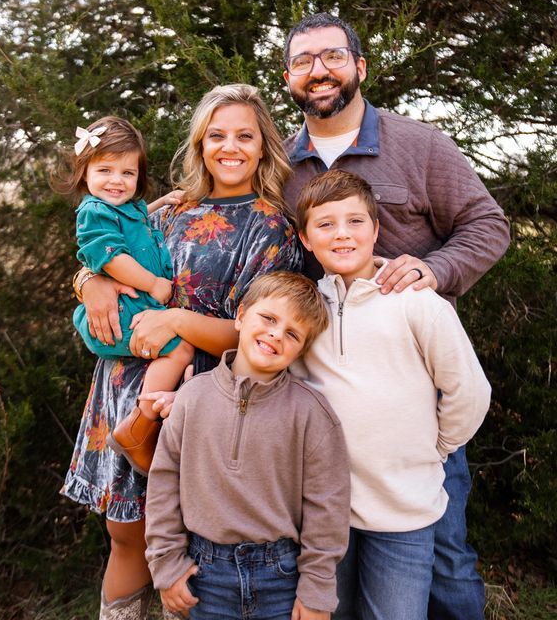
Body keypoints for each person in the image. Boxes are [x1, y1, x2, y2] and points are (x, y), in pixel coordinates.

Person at [282, 12, 510, 620]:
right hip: (323, 411)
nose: (318, 71)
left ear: (359, 68)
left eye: (331, 56)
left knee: (442, 559)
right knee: (340, 566)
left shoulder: (419, 145)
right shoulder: (279, 164)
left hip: (416, 396)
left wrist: (435, 270)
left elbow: (488, 226)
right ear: (288, 78)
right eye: (303, 61)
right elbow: (222, 205)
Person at [62, 84, 302, 620]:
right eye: (216, 135)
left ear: (264, 144)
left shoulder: (272, 228)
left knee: (187, 545)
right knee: (126, 536)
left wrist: (178, 320)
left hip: (204, 397)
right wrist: (88, 282)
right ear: (199, 143)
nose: (230, 147)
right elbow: (108, 257)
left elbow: (257, 338)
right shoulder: (169, 211)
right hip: (125, 386)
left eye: (245, 135)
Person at [291, 169, 491, 620]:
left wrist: (437, 446)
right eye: (325, 225)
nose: (342, 234)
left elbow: (469, 391)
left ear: (376, 230)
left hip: (403, 512)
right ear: (305, 238)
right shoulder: (304, 308)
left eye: (355, 222)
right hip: (328, 514)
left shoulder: (416, 302)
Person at [145, 271, 351, 620]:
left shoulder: (311, 413)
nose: (275, 334)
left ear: (301, 348)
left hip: (282, 577)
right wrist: (166, 563)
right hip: (204, 575)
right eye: (268, 318)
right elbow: (164, 483)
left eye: (292, 333)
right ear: (240, 316)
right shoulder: (192, 398)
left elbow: (326, 507)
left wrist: (317, 590)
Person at [53, 116, 194, 476]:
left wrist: (160, 203)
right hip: (121, 313)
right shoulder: (92, 212)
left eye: (128, 173)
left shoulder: (122, 209)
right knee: (181, 349)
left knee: (186, 362)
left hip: (134, 310)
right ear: (85, 173)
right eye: (105, 171)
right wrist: (152, 284)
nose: (117, 181)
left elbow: (135, 225)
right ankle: (139, 425)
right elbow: (112, 257)